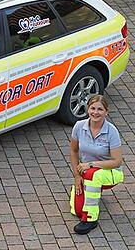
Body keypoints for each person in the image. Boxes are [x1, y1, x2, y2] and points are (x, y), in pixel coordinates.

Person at [69, 94, 124, 234]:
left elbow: (117, 161)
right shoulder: (79, 127)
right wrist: (76, 176)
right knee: (77, 210)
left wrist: (92, 164)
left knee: (92, 175)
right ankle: (89, 197)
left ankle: (90, 219)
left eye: (100, 109)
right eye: (92, 108)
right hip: (85, 171)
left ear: (106, 112)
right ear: (88, 109)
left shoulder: (112, 131)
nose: (96, 112)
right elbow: (74, 151)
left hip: (111, 172)